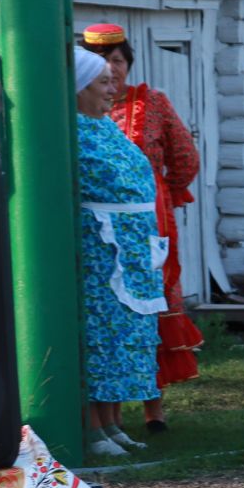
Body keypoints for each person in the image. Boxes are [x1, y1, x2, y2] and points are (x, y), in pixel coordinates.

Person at [80, 23, 204, 431]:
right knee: (113, 310)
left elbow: (184, 155)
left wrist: (165, 192)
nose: (110, 72)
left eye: (116, 61)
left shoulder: (151, 102)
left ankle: (154, 407)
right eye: (101, 65)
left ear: (128, 64)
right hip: (102, 225)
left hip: (152, 215)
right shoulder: (85, 115)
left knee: (154, 301)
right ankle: (106, 417)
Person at [73, 47, 166, 460]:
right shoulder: (71, 131)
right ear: (78, 88)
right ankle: (92, 428)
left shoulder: (105, 126)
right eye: (103, 83)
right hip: (101, 251)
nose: (113, 89)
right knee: (99, 339)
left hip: (132, 248)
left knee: (123, 339)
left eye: (114, 81)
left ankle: (112, 423)